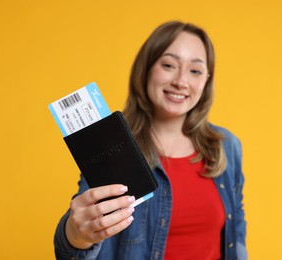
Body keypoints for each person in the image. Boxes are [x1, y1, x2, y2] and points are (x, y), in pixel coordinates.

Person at [54, 21, 247, 260]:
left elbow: (236, 233)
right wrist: (75, 234)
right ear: (146, 69)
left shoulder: (226, 145)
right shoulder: (112, 146)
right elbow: (83, 232)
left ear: (206, 80)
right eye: (168, 65)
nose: (181, 81)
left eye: (195, 71)